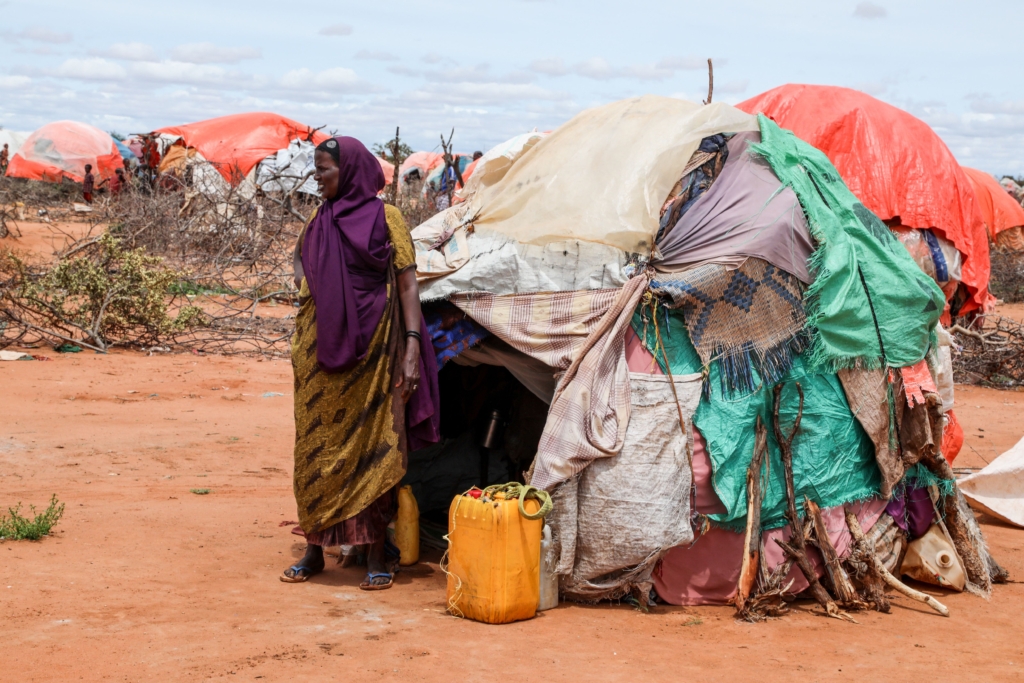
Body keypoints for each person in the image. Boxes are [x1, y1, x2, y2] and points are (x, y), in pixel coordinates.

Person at [281, 136, 440, 590]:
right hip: (316, 356)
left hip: (375, 352)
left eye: (325, 169)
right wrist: (313, 293)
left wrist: (411, 346)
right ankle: (315, 549)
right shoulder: (319, 218)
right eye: (317, 168)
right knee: (314, 448)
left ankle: (374, 552)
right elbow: (299, 261)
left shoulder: (387, 218)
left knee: (375, 449)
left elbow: (408, 285)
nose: (318, 176)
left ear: (347, 171)